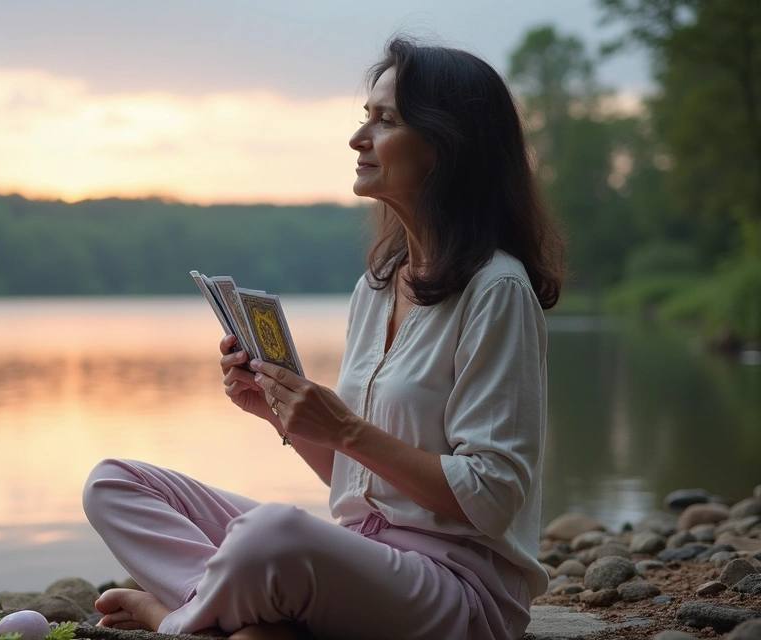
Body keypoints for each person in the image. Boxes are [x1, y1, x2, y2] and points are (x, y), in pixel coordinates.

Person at [81, 36, 566, 640]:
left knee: (273, 535)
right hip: (361, 556)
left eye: (385, 120)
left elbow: (492, 497)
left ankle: (175, 617)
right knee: (115, 482)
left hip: (457, 590)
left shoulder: (497, 289)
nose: (358, 139)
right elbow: (358, 481)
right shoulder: (378, 285)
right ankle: (252, 612)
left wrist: (343, 428)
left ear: (446, 145)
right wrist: (282, 415)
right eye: (367, 117)